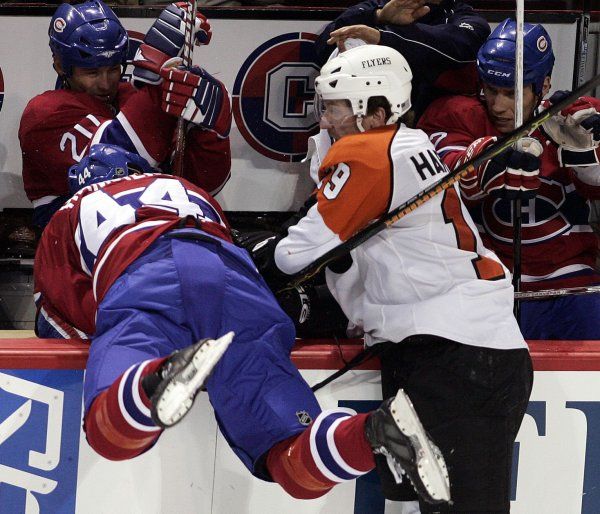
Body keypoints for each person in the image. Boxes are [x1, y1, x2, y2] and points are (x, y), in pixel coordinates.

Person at [33, 142, 451, 505]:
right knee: (289, 458)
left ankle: (153, 379)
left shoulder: (67, 213)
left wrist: (127, 345)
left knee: (110, 433)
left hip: (149, 274)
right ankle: (376, 432)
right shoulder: (189, 189)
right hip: (237, 279)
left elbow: (64, 317)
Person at [247, 44, 533, 513]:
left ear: (374, 112)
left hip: (459, 358)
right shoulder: (402, 144)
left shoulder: (371, 154)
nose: (324, 120)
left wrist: (253, 255)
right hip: (447, 352)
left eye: (335, 108)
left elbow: (295, 258)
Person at [418, 19, 600, 340]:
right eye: (490, 89)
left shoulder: (575, 118)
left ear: (543, 85)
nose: (498, 106)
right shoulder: (458, 115)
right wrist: (492, 159)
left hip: (574, 284)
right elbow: (444, 181)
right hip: (490, 285)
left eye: (512, 92)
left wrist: (588, 159)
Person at [19, 0, 231, 228]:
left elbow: (201, 187)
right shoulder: (44, 112)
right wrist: (156, 67)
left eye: (113, 69)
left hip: (152, 230)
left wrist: (211, 132)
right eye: (91, 72)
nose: (105, 83)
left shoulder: (131, 97)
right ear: (61, 66)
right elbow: (114, 167)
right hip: (75, 242)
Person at [315, 0, 490, 122]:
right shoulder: (379, 8)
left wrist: (383, 36)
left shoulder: (468, 20)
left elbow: (454, 47)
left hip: (432, 130)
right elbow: (324, 50)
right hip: (368, 124)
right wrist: (378, 17)